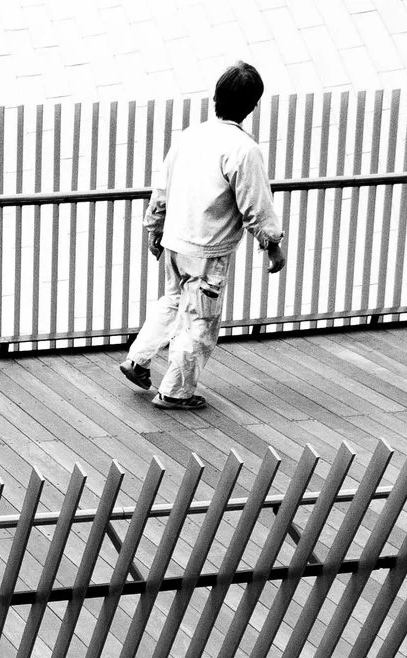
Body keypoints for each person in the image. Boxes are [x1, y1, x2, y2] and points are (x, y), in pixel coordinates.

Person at [119, 62, 288, 412]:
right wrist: (272, 245)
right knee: (199, 321)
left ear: (215, 98)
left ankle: (138, 360)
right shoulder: (244, 149)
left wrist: (155, 229)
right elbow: (256, 205)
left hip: (175, 241)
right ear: (253, 105)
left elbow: (161, 190)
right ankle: (175, 392)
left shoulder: (189, 136)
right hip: (208, 250)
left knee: (172, 301)